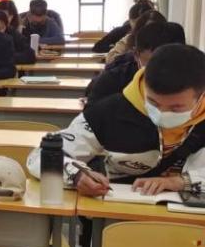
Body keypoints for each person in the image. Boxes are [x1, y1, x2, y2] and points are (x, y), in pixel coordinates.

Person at [28, 44, 205, 198]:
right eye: (152, 102)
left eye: (176, 108)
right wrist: (76, 175)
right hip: (119, 206)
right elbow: (40, 157)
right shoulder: (110, 112)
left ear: (200, 97)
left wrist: (181, 182)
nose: (161, 113)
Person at [87, 22, 185, 104]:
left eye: (170, 64)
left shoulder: (190, 82)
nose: (161, 71)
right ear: (136, 55)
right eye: (152, 63)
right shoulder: (114, 81)